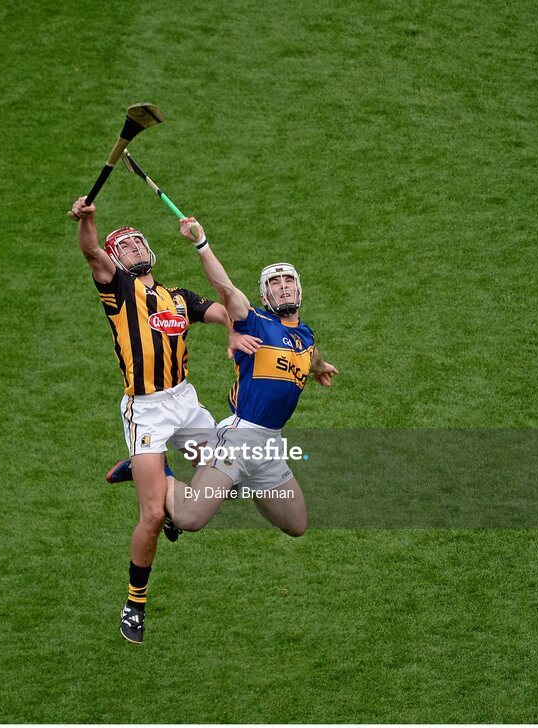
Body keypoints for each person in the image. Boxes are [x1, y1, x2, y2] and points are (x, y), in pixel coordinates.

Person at [69, 197, 257, 644]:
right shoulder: (117, 288)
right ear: (117, 260)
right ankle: (135, 603)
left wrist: (232, 329)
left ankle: (144, 468)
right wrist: (90, 221)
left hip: (185, 402)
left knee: (230, 481)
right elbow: (91, 251)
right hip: (147, 410)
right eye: (125, 246)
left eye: (138, 242)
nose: (133, 248)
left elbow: (221, 310)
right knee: (153, 514)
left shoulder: (177, 297)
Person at [165, 218, 339, 536]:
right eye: (274, 283)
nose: (283, 285)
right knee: (189, 519)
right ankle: (155, 476)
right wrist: (202, 243)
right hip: (240, 439)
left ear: (299, 289)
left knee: (297, 525)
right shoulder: (254, 320)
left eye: (288, 280)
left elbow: (309, 355)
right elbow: (225, 288)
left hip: (269, 445)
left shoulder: (306, 335)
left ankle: (227, 478)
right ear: (264, 295)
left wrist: (320, 367)